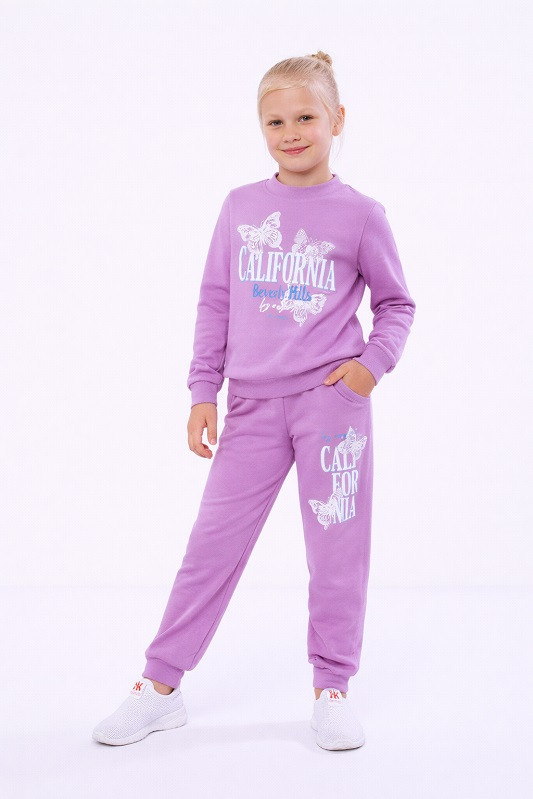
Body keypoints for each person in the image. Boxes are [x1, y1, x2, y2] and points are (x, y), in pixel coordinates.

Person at [92, 50, 416, 750]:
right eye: (275, 121)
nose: (290, 132)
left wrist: (369, 367)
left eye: (305, 117)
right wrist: (201, 390)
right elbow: (215, 301)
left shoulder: (361, 214)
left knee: (336, 553)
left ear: (337, 119)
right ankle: (160, 686)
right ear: (260, 126)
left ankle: (332, 687)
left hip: (332, 409)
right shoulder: (240, 207)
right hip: (250, 407)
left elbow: (396, 304)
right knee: (210, 547)